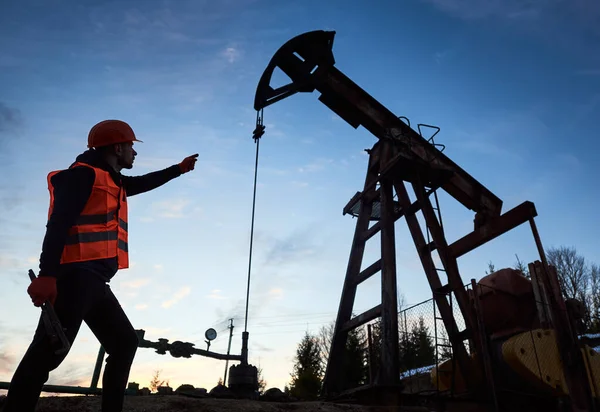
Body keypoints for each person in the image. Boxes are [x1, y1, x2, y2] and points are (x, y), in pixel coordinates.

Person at [1, 120, 199, 412]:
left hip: (94, 282)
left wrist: (178, 169)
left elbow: (143, 182)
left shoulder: (113, 181)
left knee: (123, 343)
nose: (134, 152)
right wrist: (47, 275)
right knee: (46, 355)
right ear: (117, 147)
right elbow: (58, 224)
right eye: (131, 146)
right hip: (75, 278)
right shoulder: (82, 177)